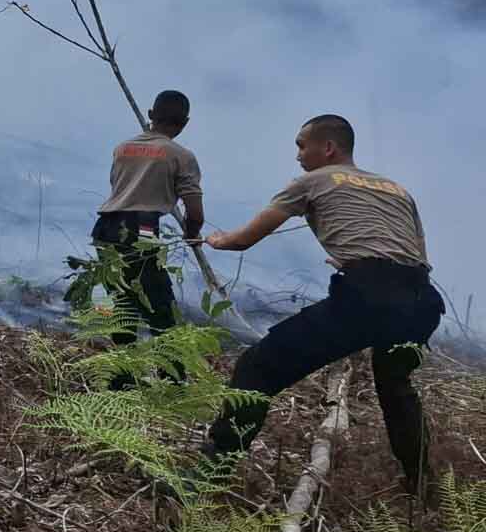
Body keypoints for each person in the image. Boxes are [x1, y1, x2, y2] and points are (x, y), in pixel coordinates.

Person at [205, 114, 442, 495]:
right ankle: (421, 485)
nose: (298, 154)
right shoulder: (397, 190)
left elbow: (243, 240)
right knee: (396, 387)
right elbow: (416, 255)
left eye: (302, 144)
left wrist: (217, 240)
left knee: (257, 368)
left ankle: (209, 475)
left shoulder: (312, 181)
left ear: (328, 148)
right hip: (422, 301)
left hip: (367, 296)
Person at [89, 91, 202, 356]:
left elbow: (118, 189)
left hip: (104, 229)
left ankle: (121, 378)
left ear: (151, 114)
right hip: (141, 230)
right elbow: (195, 211)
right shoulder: (182, 156)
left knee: (121, 303)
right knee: (160, 309)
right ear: (185, 123)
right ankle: (173, 382)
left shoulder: (122, 148)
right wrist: (191, 233)